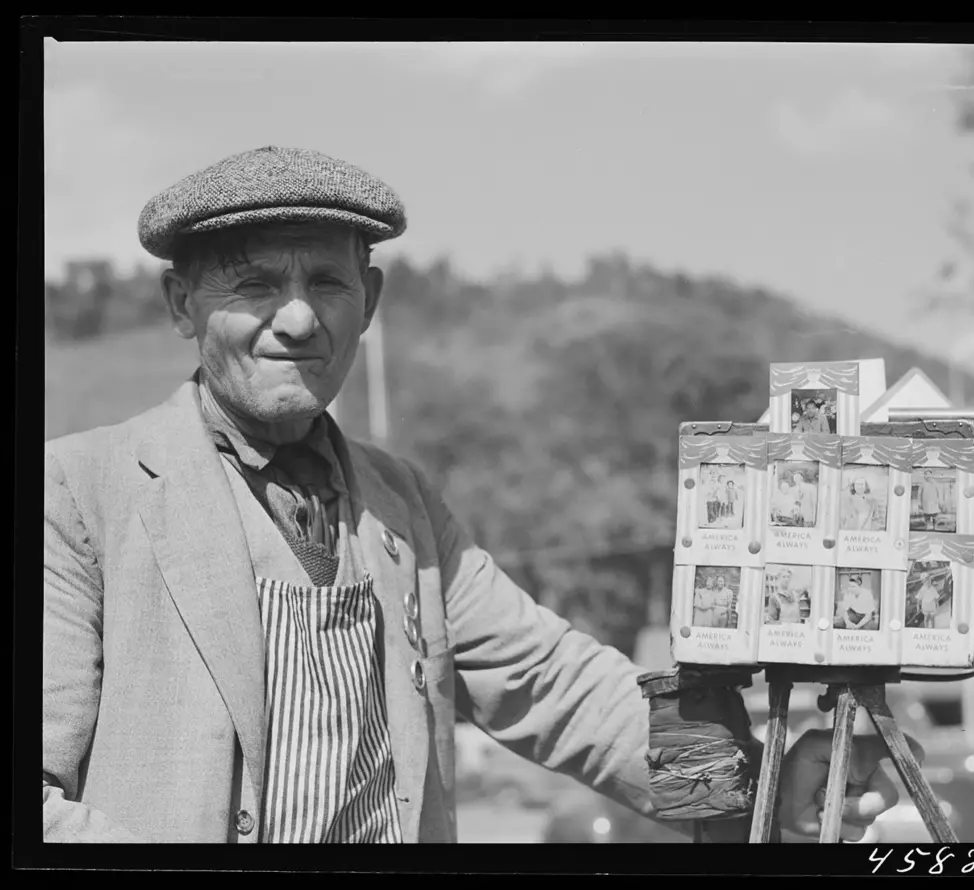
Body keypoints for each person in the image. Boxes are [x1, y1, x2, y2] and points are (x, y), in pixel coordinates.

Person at [43, 145, 917, 844]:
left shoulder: (403, 505)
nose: (300, 319)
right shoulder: (81, 493)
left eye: (329, 282)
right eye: (256, 284)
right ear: (180, 302)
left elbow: (555, 682)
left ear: (371, 300)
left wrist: (762, 784)